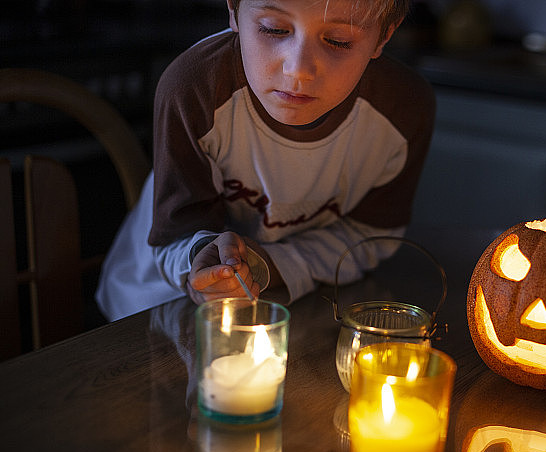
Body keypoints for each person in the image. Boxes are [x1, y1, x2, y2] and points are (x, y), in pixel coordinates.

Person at [96, 0, 435, 321]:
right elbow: (176, 235)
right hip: (157, 305)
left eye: (338, 41)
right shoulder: (196, 89)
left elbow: (369, 237)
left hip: (299, 309)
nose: (298, 69)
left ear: (384, 35)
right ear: (234, 9)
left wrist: (269, 265)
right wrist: (204, 261)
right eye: (274, 29)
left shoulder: (402, 112)